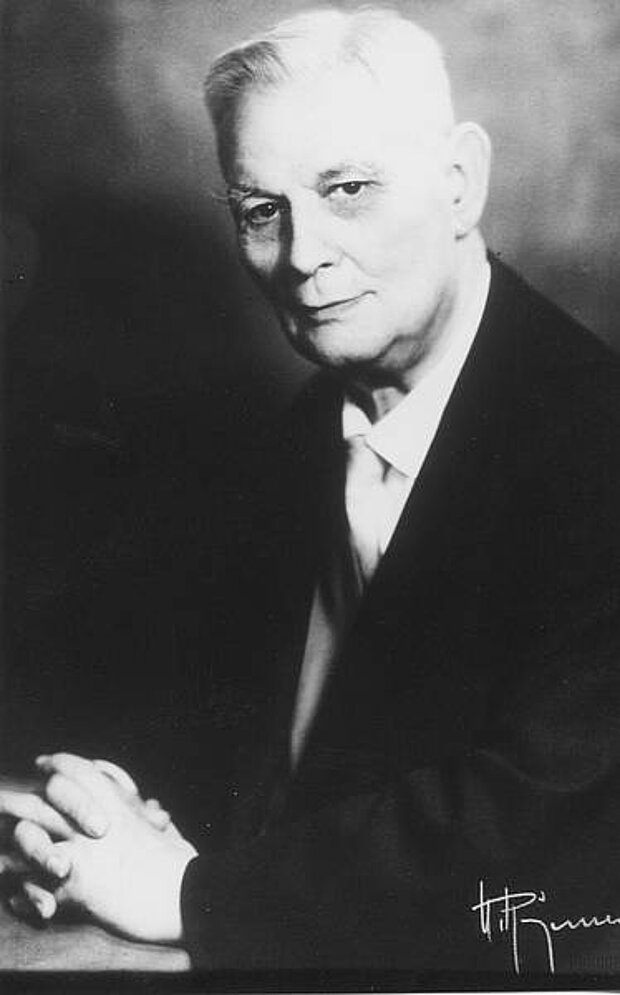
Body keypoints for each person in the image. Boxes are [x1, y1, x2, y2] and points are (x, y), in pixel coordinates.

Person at [2, 6, 620, 975]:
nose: (300, 256)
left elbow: (553, 847)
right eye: (261, 211)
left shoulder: (598, 448)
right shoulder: (292, 440)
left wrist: (185, 892)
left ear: (460, 182)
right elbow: (250, 753)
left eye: (348, 190)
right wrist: (103, 829)